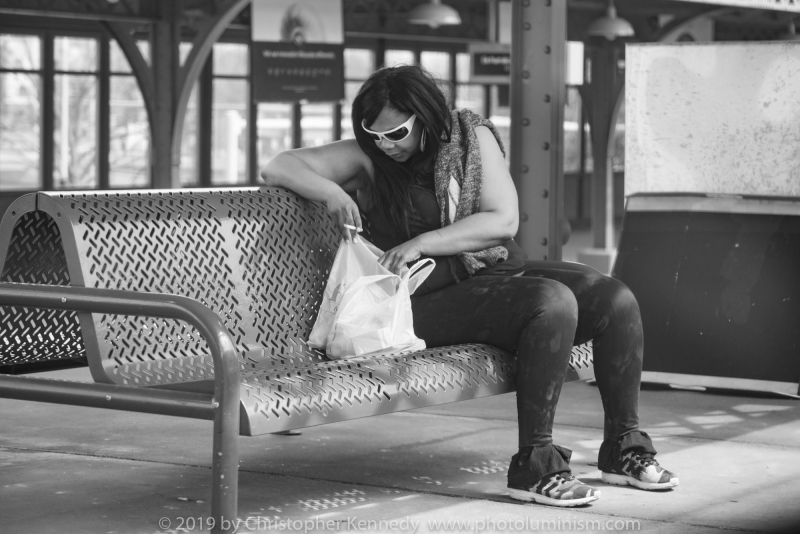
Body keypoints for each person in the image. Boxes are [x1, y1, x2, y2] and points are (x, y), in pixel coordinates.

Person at [261, 65, 678, 507]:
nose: (386, 144)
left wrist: (422, 242)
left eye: (397, 132)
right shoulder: (369, 158)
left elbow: (503, 221)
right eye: (374, 133)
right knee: (549, 302)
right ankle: (536, 466)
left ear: (425, 117)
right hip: (412, 304)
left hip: (488, 274)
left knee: (615, 297)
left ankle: (624, 448)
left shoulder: (469, 138)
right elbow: (279, 165)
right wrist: (332, 193)